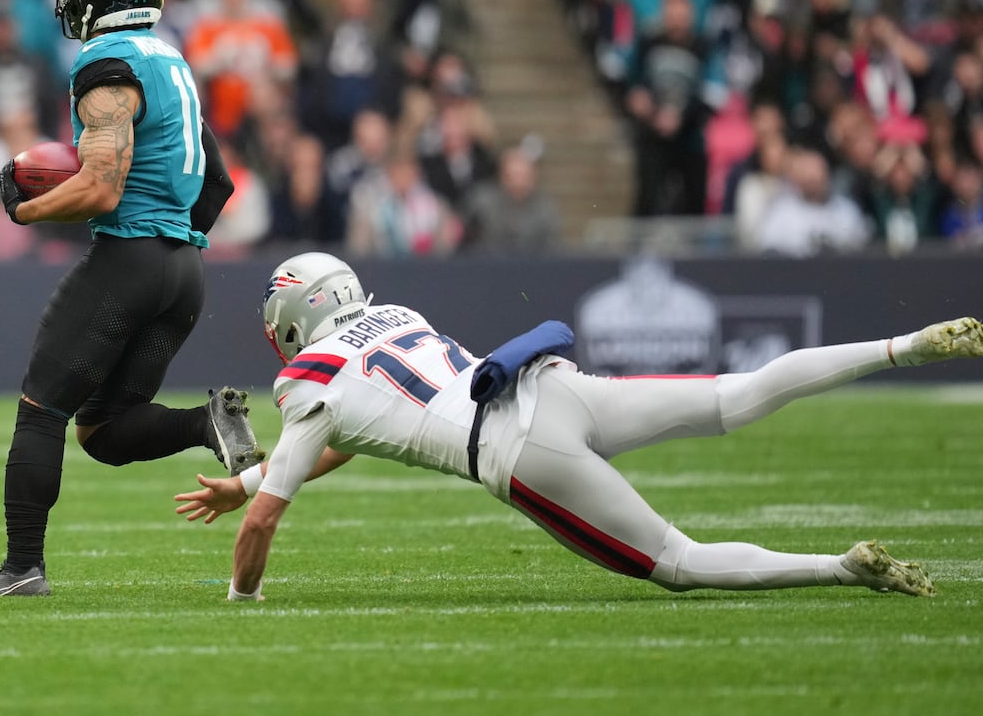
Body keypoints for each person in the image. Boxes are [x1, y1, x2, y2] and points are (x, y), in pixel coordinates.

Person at [175, 252, 982, 601]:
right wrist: (251, 474)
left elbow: (266, 520)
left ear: (292, 317)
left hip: (519, 447)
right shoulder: (394, 312)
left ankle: (843, 568)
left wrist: (243, 591)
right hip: (550, 383)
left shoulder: (303, 379)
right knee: (740, 393)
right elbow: (359, 427)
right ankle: (902, 346)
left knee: (679, 563)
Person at [0, 0, 259, 598]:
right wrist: (171, 240)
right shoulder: (172, 62)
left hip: (132, 261)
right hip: (184, 271)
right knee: (104, 428)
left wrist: (25, 209)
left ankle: (21, 568)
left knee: (41, 406)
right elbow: (219, 182)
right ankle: (206, 421)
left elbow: (101, 186)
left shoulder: (107, 63)